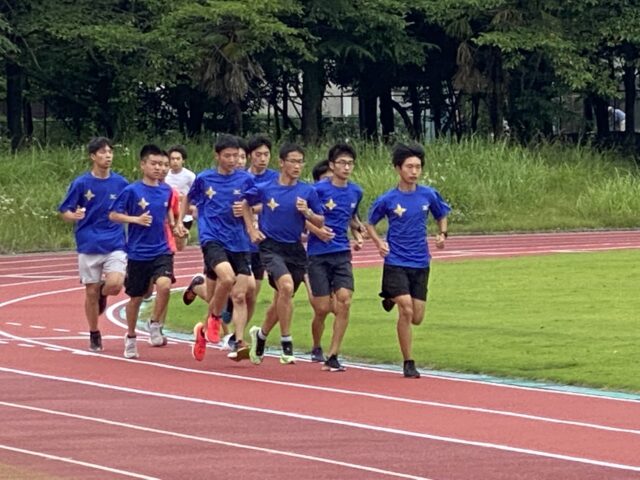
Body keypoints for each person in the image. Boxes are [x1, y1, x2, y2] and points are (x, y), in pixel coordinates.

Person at [366, 143, 450, 378]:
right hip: (396, 261)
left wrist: (442, 234)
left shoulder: (428, 195)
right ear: (398, 169)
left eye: (418, 167)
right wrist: (378, 242)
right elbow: (369, 223)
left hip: (421, 262)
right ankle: (408, 362)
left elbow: (442, 214)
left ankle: (390, 296)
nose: (414, 171)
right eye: (409, 167)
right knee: (406, 310)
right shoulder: (388, 199)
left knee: (417, 317)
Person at [244, 143, 324, 365]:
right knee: (286, 287)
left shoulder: (308, 191)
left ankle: (260, 336)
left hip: (295, 248)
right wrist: (252, 229)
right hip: (270, 246)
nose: (297, 166)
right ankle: (286, 343)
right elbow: (244, 203)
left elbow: (320, 219)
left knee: (283, 296)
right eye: (293, 161)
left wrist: (306, 211)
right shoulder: (266, 188)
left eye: (300, 162)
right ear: (281, 163)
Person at [187, 134, 256, 362]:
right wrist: (180, 222)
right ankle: (215, 318)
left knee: (240, 296)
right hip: (212, 238)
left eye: (236, 156)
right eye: (227, 156)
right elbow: (188, 199)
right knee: (226, 280)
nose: (232, 160)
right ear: (217, 156)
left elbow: (258, 205)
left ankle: (234, 339)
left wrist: (247, 210)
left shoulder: (245, 180)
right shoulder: (204, 179)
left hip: (240, 241)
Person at [109, 144, 179, 359]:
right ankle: (130, 336)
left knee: (165, 286)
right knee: (136, 298)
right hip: (138, 252)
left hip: (161, 249)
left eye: (162, 164)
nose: (159, 168)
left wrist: (177, 226)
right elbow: (113, 215)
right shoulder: (131, 191)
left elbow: (169, 214)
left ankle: (155, 323)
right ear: (143, 165)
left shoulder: (167, 190)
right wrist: (135, 219)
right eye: (154, 164)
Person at [58, 137, 128, 352]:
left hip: (115, 241)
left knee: (116, 284)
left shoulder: (121, 183)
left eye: (110, 152)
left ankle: (104, 293)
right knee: (90, 291)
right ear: (92, 156)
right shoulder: (81, 184)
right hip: (88, 242)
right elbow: (64, 211)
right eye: (102, 152)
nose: (107, 156)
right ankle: (94, 332)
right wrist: (74, 215)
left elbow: (130, 209)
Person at [306, 144, 364, 372]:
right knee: (321, 308)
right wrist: (317, 231)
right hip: (318, 253)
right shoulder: (317, 190)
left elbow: (351, 217)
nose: (346, 167)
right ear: (331, 165)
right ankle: (316, 345)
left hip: (341, 252)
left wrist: (358, 232)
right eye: (341, 163)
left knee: (345, 300)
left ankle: (333, 354)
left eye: (350, 163)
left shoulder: (356, 192)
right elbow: (301, 215)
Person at [244, 135, 279, 322]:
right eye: (258, 154)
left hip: (263, 240)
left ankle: (234, 336)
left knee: (253, 292)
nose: (263, 158)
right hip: (240, 239)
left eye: (266, 154)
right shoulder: (242, 177)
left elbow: (279, 202)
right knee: (241, 288)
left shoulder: (275, 178)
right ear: (250, 156)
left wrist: (255, 207)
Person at [166, 145, 196, 230]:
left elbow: (196, 195)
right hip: (168, 213)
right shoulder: (164, 175)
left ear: (183, 160)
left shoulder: (190, 176)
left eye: (178, 159)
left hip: (185, 215)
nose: (175, 161)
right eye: (172, 159)